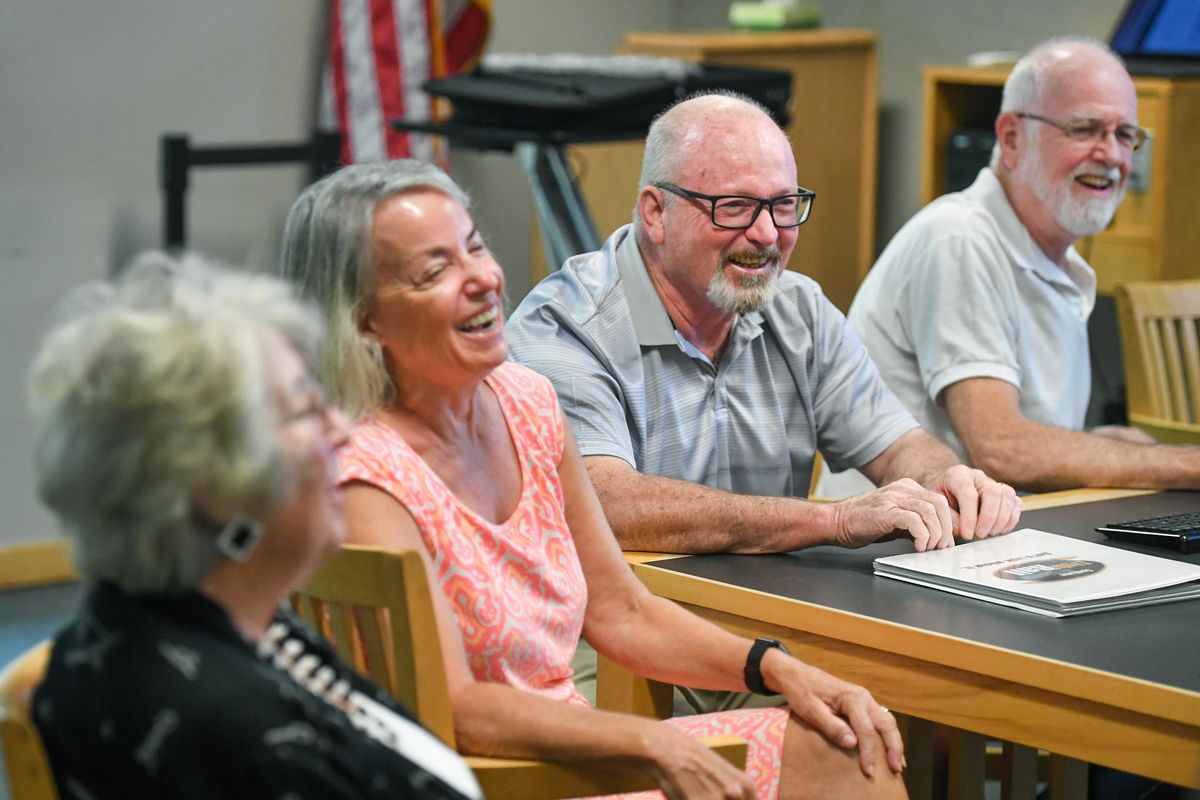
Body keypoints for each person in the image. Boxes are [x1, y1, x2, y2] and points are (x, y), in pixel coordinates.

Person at [280, 159, 908, 800]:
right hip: (495, 780)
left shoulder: (526, 403)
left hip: (577, 757)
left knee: (853, 746)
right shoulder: (361, 475)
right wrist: (651, 743)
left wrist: (777, 668)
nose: (482, 280)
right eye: (436, 271)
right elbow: (459, 712)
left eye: (475, 248)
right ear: (363, 320)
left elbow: (622, 611)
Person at [28, 254, 481, 800]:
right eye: (307, 410)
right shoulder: (244, 740)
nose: (341, 431)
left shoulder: (182, 618)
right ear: (214, 488)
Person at [506, 91, 1020, 558]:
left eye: (783, 205)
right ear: (655, 213)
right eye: (733, 207)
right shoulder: (564, 327)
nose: (766, 233)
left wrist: (941, 481)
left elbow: (900, 446)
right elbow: (607, 505)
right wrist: (834, 519)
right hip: (602, 640)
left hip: (764, 618)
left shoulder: (800, 311)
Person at [848, 37, 1200, 493]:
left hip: (998, 537)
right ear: (1012, 138)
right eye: (1085, 129)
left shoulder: (1057, 256)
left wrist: (1107, 447)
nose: (1112, 156)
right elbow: (1001, 449)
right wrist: (1187, 465)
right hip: (901, 549)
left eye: (1125, 135)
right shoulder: (959, 237)